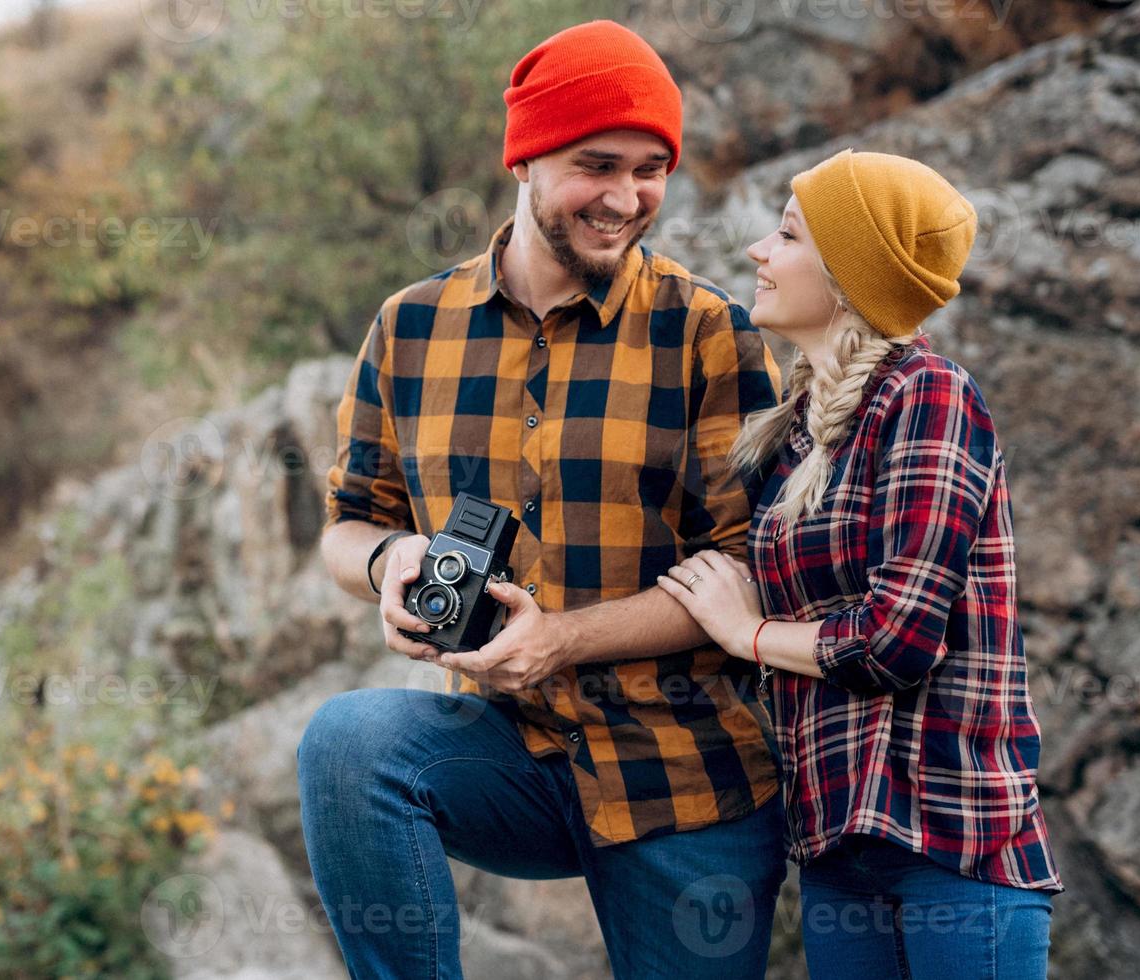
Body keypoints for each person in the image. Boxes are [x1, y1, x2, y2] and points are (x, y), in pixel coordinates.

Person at [299, 19, 790, 980]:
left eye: (651, 168)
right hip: (506, 754)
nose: (624, 197)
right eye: (595, 164)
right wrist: (387, 559)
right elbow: (348, 520)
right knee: (349, 743)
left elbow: (749, 568)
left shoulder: (709, 332)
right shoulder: (410, 327)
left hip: (688, 773)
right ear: (524, 157)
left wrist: (561, 638)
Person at [658, 149, 1064, 979]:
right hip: (837, 843)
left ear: (848, 274)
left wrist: (750, 633)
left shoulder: (930, 394)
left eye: (786, 235)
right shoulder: (792, 432)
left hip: (952, 841)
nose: (757, 254)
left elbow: (898, 639)